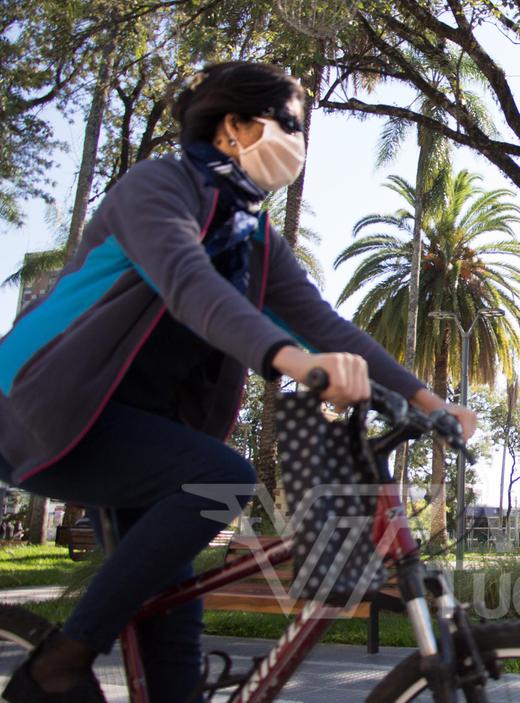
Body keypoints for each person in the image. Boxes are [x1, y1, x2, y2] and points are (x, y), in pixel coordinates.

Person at [0, 62, 475, 703]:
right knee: (221, 478)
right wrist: (291, 361)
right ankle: (60, 662)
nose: (298, 146)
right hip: (43, 408)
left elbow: (323, 322)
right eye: (290, 126)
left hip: (145, 437)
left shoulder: (251, 235)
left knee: (173, 634)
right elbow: (189, 284)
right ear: (235, 128)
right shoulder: (157, 188)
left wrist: (428, 400)